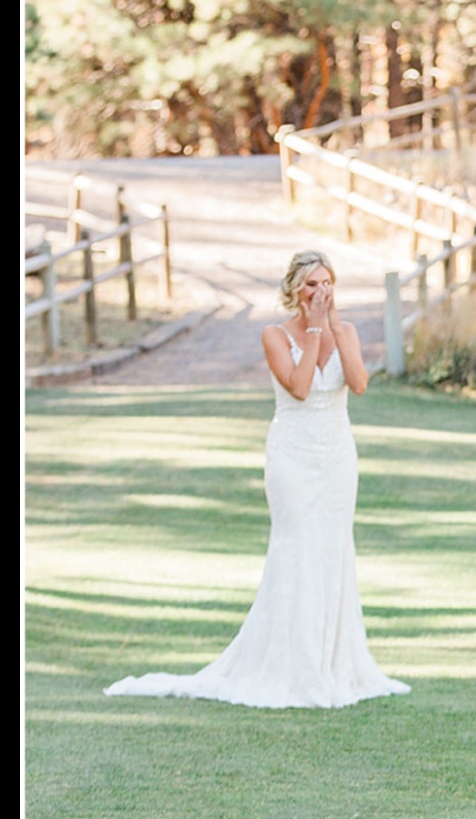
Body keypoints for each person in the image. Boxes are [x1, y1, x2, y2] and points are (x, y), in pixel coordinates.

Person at [105, 251, 410, 709]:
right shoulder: (273, 336)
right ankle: (292, 666)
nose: (320, 292)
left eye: (327, 283)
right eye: (311, 285)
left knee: (332, 549)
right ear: (294, 290)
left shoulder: (344, 332)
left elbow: (360, 383)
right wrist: (311, 329)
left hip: (337, 458)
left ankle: (334, 665)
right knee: (297, 548)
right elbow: (301, 387)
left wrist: (335, 326)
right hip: (292, 456)